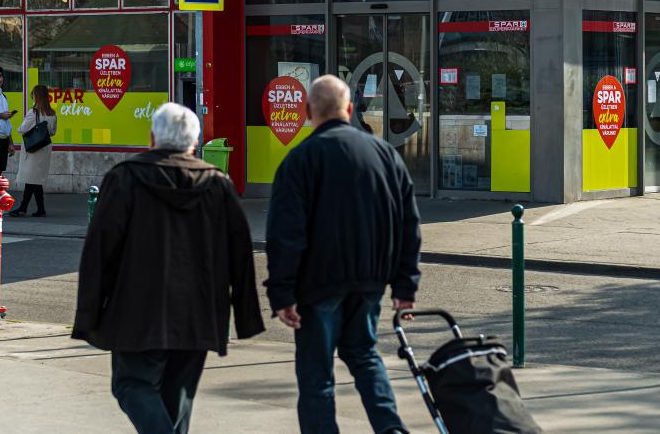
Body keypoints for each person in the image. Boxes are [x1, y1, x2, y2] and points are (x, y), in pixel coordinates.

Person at [73, 103, 264, 434]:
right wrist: (245, 316)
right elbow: (240, 257)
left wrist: (90, 314)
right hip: (199, 311)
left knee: (132, 385)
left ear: (151, 138)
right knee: (177, 401)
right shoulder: (218, 184)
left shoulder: (124, 179)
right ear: (195, 143)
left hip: (138, 309)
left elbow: (98, 252)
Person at [266, 75, 422, 434]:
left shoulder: (299, 160)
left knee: (317, 375)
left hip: (317, 286)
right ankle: (391, 430)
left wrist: (282, 293)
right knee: (365, 357)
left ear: (307, 112)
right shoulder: (384, 155)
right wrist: (404, 286)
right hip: (369, 282)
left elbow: (285, 235)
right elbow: (408, 224)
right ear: (350, 109)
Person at [11, 84, 58, 217]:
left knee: (32, 179)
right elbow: (53, 132)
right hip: (44, 148)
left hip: (33, 149)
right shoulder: (52, 113)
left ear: (36, 97)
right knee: (35, 179)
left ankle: (23, 208)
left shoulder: (33, 112)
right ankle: (37, 209)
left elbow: (21, 129)